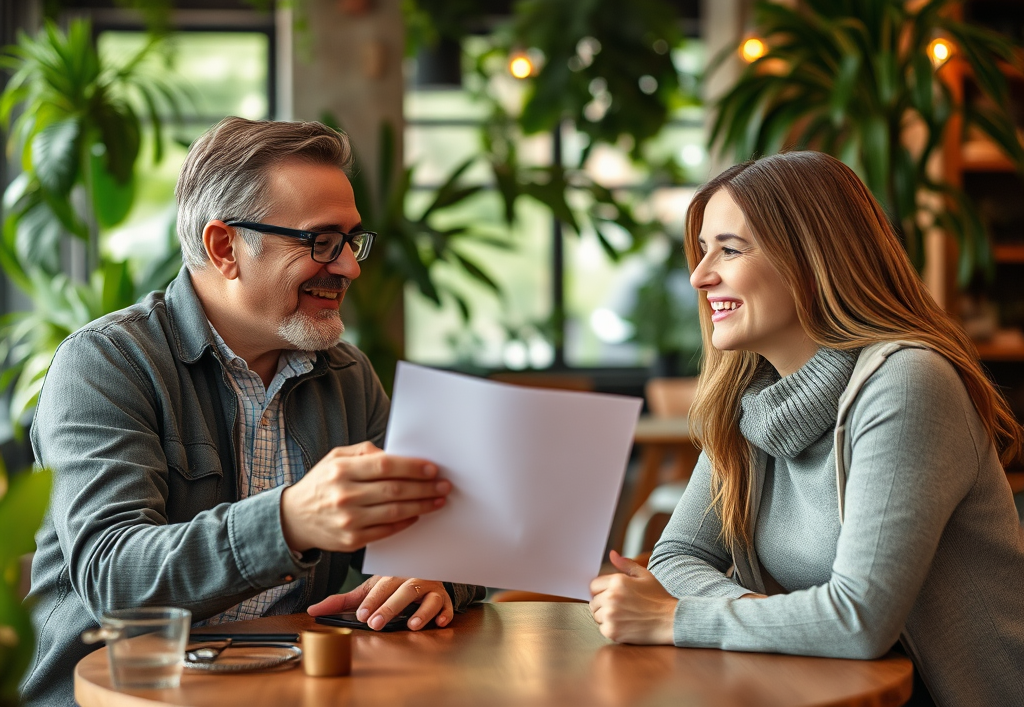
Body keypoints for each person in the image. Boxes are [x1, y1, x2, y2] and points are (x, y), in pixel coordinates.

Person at [21, 118, 483, 706]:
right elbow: (114, 578)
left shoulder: (346, 376)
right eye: (321, 241)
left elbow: (442, 538)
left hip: (283, 689)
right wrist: (289, 521)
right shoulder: (106, 364)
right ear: (224, 248)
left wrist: (437, 578)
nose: (349, 267)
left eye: (352, 241)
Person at [589, 151, 1024, 706]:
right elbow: (676, 557)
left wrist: (680, 618)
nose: (700, 277)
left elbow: (857, 622)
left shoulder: (908, 381)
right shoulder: (748, 401)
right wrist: (747, 618)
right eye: (701, 252)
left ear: (812, 258)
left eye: (729, 249)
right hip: (818, 689)